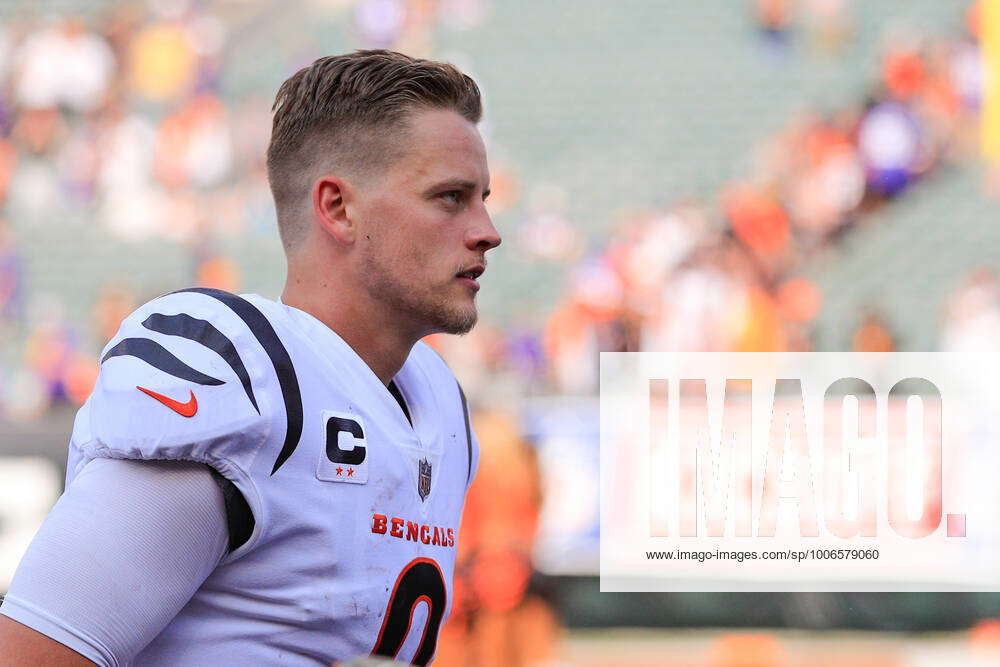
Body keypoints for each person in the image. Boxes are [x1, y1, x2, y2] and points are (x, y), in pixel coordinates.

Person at [0, 49, 501, 666]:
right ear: (338, 208)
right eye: (450, 198)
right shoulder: (248, 383)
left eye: (482, 197)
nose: (486, 229)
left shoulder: (437, 399)